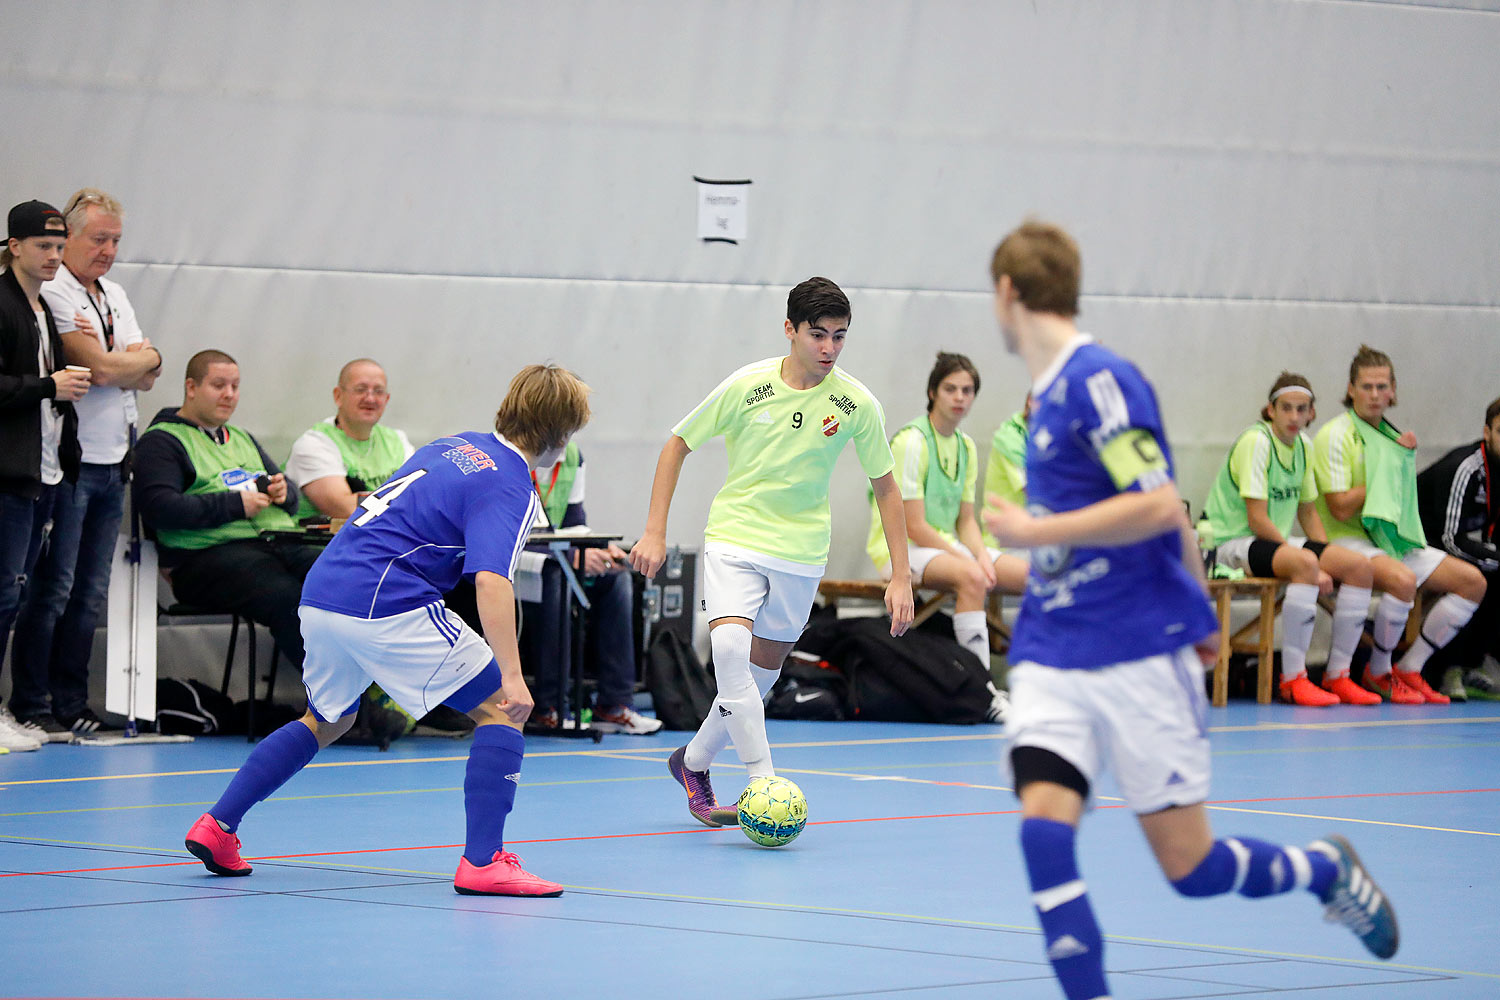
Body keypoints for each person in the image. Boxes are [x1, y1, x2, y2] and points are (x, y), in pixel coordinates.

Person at [981, 220, 1397, 999]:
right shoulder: (1044, 402)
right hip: (1054, 650)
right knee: (1043, 834)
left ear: (1007, 295)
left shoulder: (1099, 382)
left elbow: (1156, 505)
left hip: (1137, 650)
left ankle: (1323, 868)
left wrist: (1039, 534)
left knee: (1191, 869)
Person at [184, 364, 591, 897]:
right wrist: (513, 677)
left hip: (324, 590)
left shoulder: (453, 445)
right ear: (561, 435)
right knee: (500, 708)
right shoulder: (511, 484)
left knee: (326, 718)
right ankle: (484, 861)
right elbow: (491, 581)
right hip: (385, 603)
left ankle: (218, 826)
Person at [632, 277, 915, 827]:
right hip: (736, 536)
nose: (829, 349)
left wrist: (900, 575)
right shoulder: (747, 386)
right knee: (732, 651)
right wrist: (655, 531)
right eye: (817, 335)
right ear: (790, 330)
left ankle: (692, 762)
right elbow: (677, 443)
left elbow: (885, 487)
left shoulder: (856, 403)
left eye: (839, 337)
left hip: (802, 552)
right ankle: (763, 780)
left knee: (757, 681)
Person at [10, 189, 163, 740]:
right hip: (72, 461)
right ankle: (32, 697)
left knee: (91, 590)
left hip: (116, 457)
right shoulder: (55, 293)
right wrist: (129, 361)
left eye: (116, 240)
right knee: (52, 585)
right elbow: (97, 368)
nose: (108, 250)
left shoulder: (115, 293)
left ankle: (72, 698)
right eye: (99, 238)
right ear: (67, 239)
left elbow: (152, 366)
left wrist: (135, 362)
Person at [1313, 345, 1487, 704]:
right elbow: (1340, 507)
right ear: (1350, 389)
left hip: (1388, 541)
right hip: (1344, 541)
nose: (1374, 395)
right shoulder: (1335, 434)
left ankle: (1408, 669)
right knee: (1403, 580)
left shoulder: (1393, 438)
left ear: (1393, 390)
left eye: (1382, 387)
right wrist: (1387, 470)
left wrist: (1399, 459)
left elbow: (1398, 503)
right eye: (1366, 387)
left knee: (1472, 582)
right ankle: (1374, 671)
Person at [1200, 373, 1382, 707]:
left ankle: (1339, 675)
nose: (1294, 417)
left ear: (1312, 413)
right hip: (1228, 544)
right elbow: (1257, 519)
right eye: (1286, 408)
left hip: (1270, 542)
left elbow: (1309, 513)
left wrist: (1329, 558)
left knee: (1359, 568)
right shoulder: (1257, 442)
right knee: (1307, 563)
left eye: (1302, 410)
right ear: (1271, 410)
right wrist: (1312, 566)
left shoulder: (1303, 447)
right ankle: (1293, 680)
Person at [133, 350, 317, 675]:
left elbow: (288, 495)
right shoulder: (162, 441)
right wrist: (235, 505)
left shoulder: (241, 437)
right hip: (206, 559)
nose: (229, 395)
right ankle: (350, 705)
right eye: (218, 385)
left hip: (275, 543)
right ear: (191, 387)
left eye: (235, 386)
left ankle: (388, 688)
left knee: (344, 579)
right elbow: (160, 509)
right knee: (291, 600)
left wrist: (283, 491)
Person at [865, 351, 1026, 674]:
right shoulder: (912, 441)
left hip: (943, 546)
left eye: (967, 391)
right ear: (932, 392)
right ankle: (981, 686)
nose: (959, 398)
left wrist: (979, 554)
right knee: (971, 577)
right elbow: (913, 525)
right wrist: (967, 561)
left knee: (1035, 578)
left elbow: (965, 520)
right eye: (951, 389)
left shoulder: (966, 446)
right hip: (901, 550)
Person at [1, 201, 89, 753]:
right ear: (15, 247)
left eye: (60, 247)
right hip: (10, 476)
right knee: (3, 595)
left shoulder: (41, 308)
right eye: (43, 247)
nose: (55, 257)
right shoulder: (3, 304)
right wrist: (47, 387)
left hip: (43, 474)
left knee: (19, 593)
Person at [524, 441, 661, 734]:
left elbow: (574, 524)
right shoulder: (510, 454)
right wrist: (572, 556)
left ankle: (614, 704)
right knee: (556, 578)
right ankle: (550, 707)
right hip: (516, 563)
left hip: (556, 557)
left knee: (617, 578)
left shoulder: (571, 456)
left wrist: (599, 549)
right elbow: (507, 534)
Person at [1416, 395, 1500, 700]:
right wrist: (1493, 557)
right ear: (1487, 433)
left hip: (1453, 542)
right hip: (1419, 542)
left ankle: (1476, 663)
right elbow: (1451, 538)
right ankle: (1447, 668)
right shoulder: (1465, 467)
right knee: (1480, 577)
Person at [284, 358, 414, 521]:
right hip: (325, 544)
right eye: (361, 389)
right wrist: (407, 504)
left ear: (386, 399)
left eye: (378, 391)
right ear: (338, 396)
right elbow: (345, 508)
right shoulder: (314, 444)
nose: (370, 399)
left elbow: (423, 495)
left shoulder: (398, 441)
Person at [980, 392, 1032, 548]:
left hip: (1035, 537)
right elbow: (1036, 492)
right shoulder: (1010, 439)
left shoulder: (1046, 438)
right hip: (1003, 542)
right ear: (1031, 402)